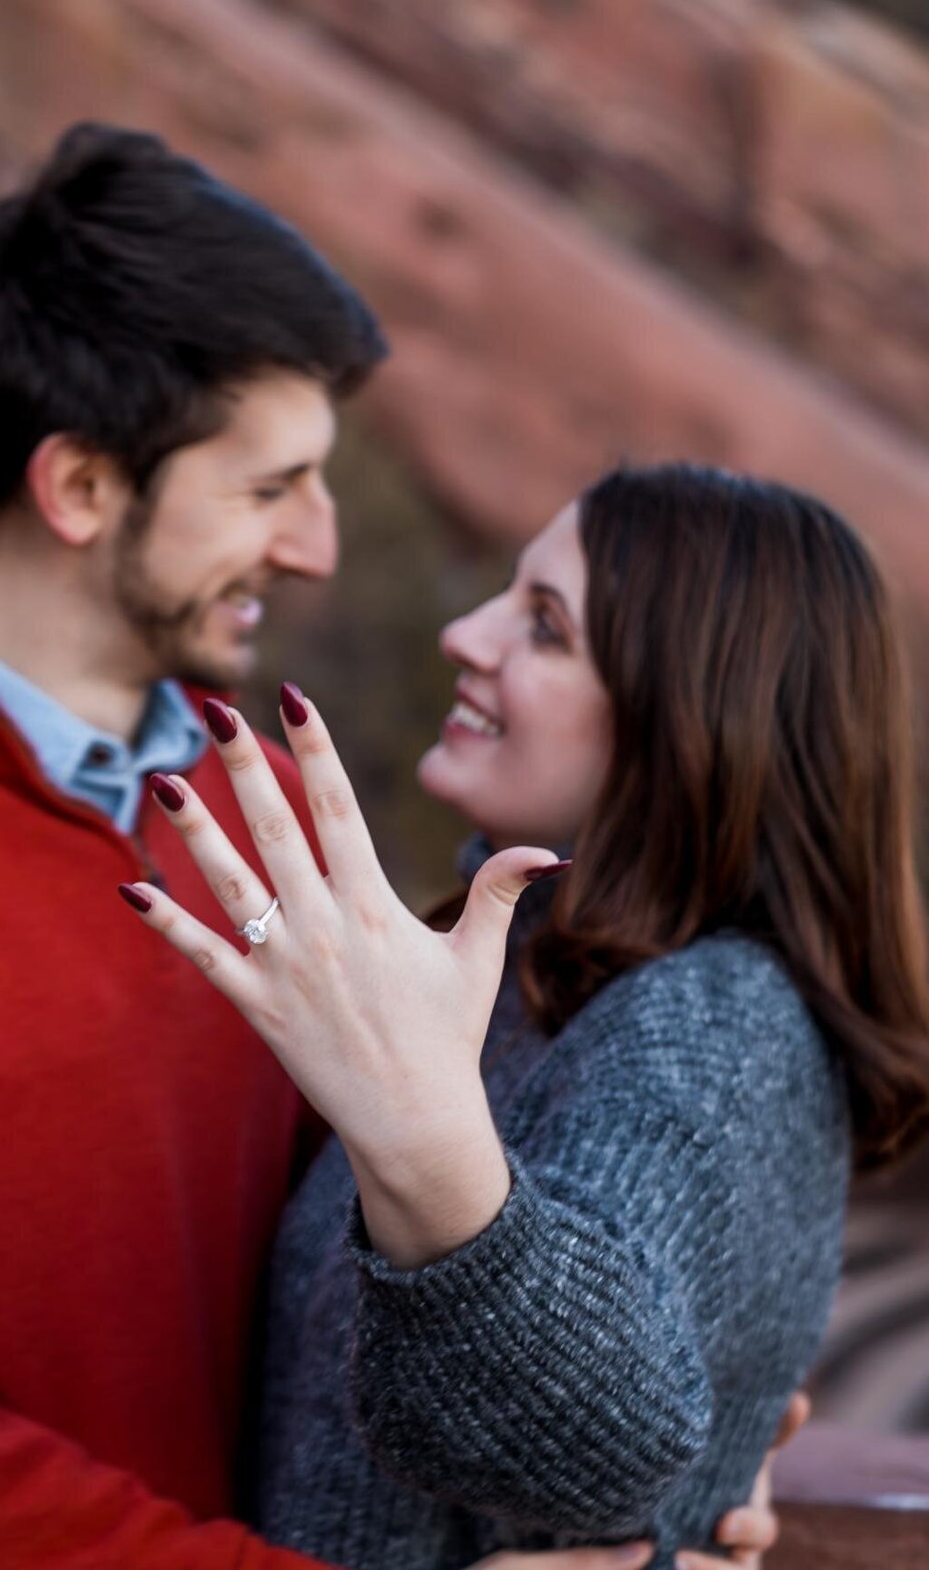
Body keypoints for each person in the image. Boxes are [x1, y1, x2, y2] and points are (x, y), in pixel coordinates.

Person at [0, 124, 781, 1570]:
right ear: (83, 489)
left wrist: (692, 1433)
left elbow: (384, 1266)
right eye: (271, 486)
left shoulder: (274, 811)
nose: (319, 548)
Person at [122, 465, 929, 1570]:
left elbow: (610, 1438)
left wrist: (428, 1153)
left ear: (688, 716)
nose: (466, 633)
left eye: (544, 626)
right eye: (507, 595)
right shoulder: (543, 981)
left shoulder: (717, 1017)